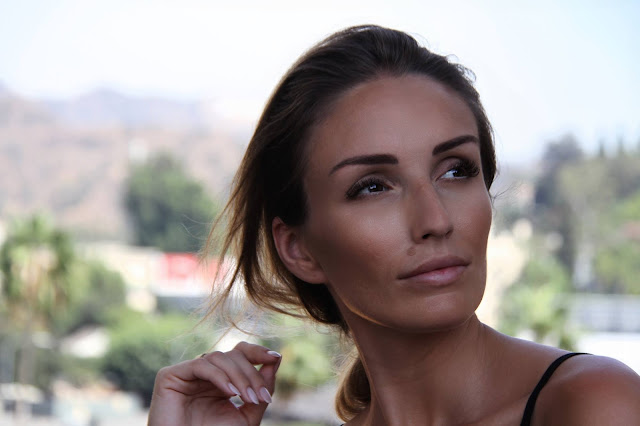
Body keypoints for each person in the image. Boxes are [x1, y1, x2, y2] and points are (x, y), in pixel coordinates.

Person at [147, 25, 640, 426]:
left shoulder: (594, 405)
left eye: (456, 170)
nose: (435, 220)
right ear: (299, 249)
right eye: (373, 187)